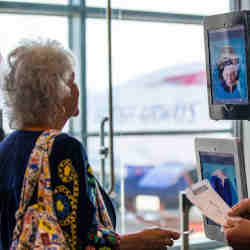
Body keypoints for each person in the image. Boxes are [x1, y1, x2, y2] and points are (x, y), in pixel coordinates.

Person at [0, 39, 180, 250]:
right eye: (71, 80)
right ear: (55, 91)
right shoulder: (62, 148)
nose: (77, 88)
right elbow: (81, 242)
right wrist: (138, 241)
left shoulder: (6, 146)